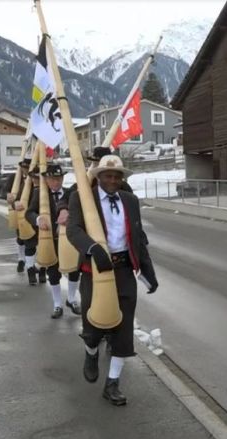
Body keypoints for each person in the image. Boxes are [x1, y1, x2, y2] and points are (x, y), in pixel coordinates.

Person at [66, 154, 158, 406]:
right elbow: (73, 229)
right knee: (93, 325)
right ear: (98, 177)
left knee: (123, 327)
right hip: (94, 270)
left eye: (117, 176)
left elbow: (138, 237)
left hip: (124, 269)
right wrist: (93, 248)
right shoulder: (82, 199)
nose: (113, 180)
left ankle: (112, 383)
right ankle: (91, 352)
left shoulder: (129, 200)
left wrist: (148, 273)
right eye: (108, 175)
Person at [25, 162, 82, 319]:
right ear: (46, 181)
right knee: (53, 271)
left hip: (69, 238)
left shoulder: (71, 193)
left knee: (74, 269)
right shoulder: (40, 195)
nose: (56, 182)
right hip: (49, 239)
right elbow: (28, 213)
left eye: (59, 178)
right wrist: (38, 219)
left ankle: (71, 299)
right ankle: (57, 304)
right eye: (53, 179)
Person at [5, 159, 31, 274]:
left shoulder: (35, 177)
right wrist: (9, 196)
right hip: (17, 210)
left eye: (27, 167)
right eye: (23, 168)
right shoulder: (15, 179)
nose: (25, 170)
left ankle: (32, 264)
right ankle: (21, 258)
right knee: (20, 237)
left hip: (31, 209)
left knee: (32, 239)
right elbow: (6, 190)